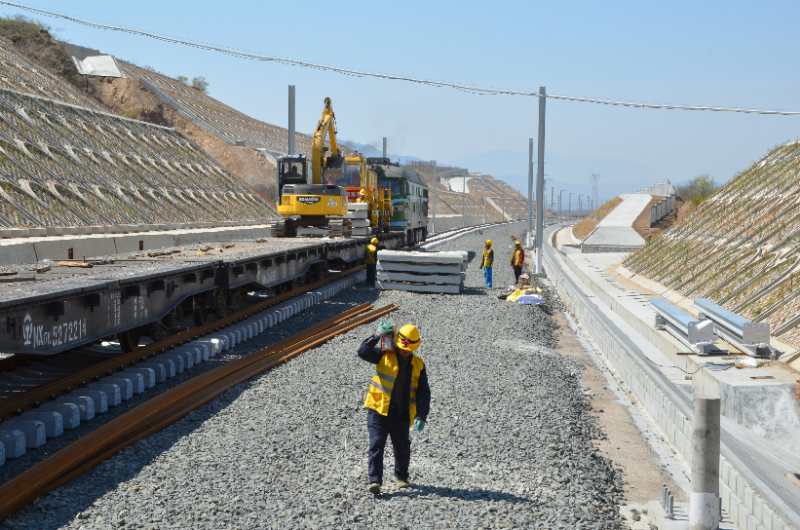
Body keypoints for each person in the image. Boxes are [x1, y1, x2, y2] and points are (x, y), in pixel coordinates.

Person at [358, 321, 430, 495]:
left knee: (402, 446)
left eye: (408, 349)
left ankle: (402, 477)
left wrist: (422, 415)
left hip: (401, 413)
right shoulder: (384, 355)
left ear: (414, 347)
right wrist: (376, 336)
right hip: (378, 410)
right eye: (402, 347)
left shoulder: (418, 365)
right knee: (376, 444)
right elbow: (363, 352)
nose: (405, 351)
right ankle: (375, 480)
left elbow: (423, 392)